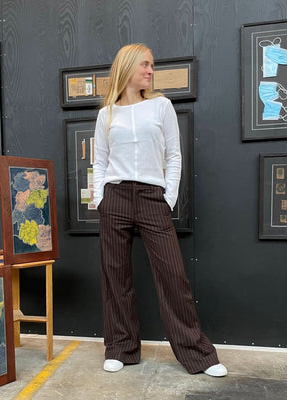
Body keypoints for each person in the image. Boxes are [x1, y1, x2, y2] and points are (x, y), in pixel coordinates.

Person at [93, 43, 227, 377]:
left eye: (152, 65)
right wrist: (100, 199)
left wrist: (168, 198)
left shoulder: (161, 106)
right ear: (127, 67)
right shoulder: (106, 114)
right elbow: (99, 161)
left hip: (153, 197)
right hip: (115, 196)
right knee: (115, 276)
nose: (151, 71)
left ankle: (198, 355)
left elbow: (174, 156)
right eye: (145, 65)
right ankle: (120, 348)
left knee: (173, 277)